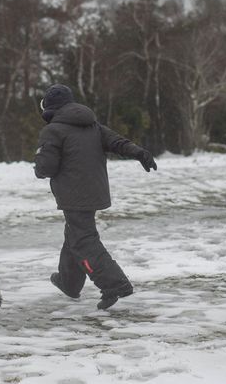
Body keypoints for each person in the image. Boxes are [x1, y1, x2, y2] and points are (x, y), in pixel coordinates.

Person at [34, 84, 157, 310]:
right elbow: (117, 142)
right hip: (95, 190)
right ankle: (69, 282)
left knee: (83, 240)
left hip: (73, 195)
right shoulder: (92, 125)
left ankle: (115, 284)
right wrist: (140, 153)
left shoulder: (53, 131)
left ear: (50, 108)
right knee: (74, 235)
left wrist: (39, 164)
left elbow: (46, 168)